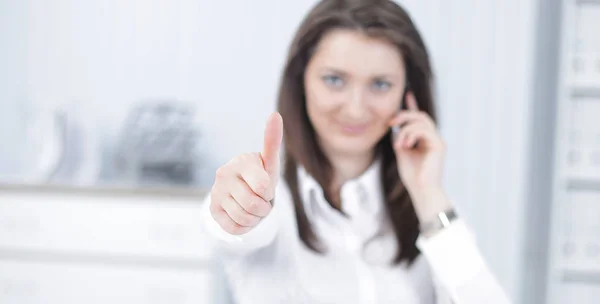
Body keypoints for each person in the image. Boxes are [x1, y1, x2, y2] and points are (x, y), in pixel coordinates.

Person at [200, 0, 511, 303]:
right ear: (301, 81)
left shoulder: (432, 210)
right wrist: (235, 209)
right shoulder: (268, 198)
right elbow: (232, 230)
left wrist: (427, 193)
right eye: (334, 80)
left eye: (380, 85)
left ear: (407, 94)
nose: (355, 109)